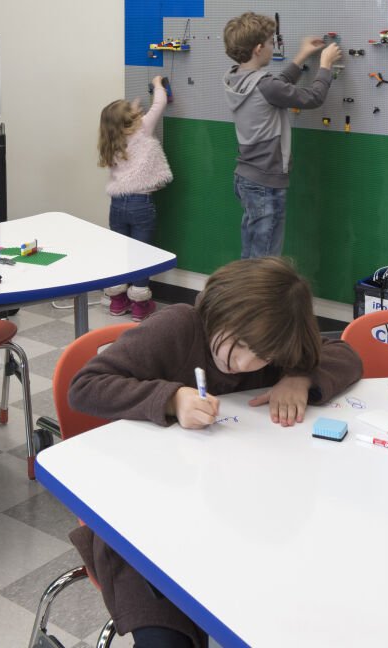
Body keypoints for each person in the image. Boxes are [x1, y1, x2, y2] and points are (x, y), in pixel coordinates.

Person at [66, 256, 364, 648]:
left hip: (241, 518)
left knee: (302, 612)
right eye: (238, 344)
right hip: (149, 519)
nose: (244, 363)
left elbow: (347, 356)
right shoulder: (177, 327)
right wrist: (171, 398)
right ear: (215, 311)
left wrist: (300, 376)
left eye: (263, 356)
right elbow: (85, 387)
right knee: (167, 636)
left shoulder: (280, 338)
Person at [221, 12, 341, 258]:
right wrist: (325, 65)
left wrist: (300, 57)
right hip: (266, 183)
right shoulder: (266, 86)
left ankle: (244, 294)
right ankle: (257, 297)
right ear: (258, 49)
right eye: (269, 43)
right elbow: (313, 98)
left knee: (252, 252)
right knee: (265, 260)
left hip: (247, 178)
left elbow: (278, 85)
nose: (271, 47)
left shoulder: (235, 77)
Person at [97, 74, 172, 320]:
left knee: (121, 252)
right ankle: (140, 306)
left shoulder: (112, 141)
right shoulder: (144, 129)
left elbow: (128, 122)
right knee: (141, 254)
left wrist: (133, 112)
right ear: (133, 120)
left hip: (117, 206)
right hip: (141, 205)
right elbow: (159, 104)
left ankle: (117, 301)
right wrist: (158, 85)